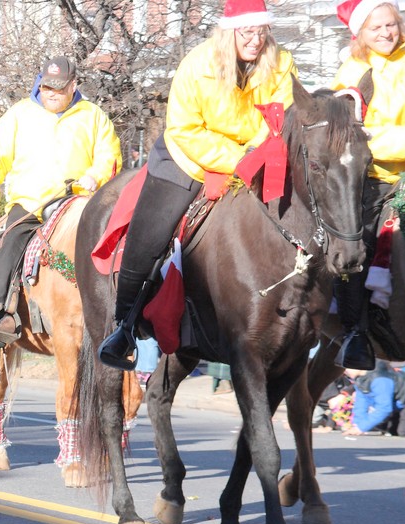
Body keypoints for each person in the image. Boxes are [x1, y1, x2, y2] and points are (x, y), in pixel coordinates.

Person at [99, 0, 297, 370]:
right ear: (229, 31)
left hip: (256, 160)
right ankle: (123, 325)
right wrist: (239, 158)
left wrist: (256, 153)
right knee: (149, 237)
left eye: (261, 31)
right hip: (190, 159)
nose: (256, 40)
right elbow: (185, 130)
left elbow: (280, 120)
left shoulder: (282, 64)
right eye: (247, 31)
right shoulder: (197, 64)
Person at [0, 55, 122, 346]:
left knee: (118, 248)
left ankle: (121, 316)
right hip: (30, 204)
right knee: (7, 249)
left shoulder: (92, 115)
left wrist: (95, 175)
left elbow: (110, 154)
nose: (52, 94)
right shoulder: (19, 114)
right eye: (47, 88)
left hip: (78, 204)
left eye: (59, 88)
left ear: (73, 85)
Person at [329, 0, 405, 370]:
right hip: (370, 179)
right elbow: (351, 137)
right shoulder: (352, 72)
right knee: (354, 244)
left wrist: (383, 135)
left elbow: (371, 132)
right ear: (360, 34)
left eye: (390, 24)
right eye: (376, 28)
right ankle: (355, 333)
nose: (386, 33)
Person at [342, 360, 405, 435]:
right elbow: (361, 404)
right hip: (399, 403)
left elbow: (384, 408)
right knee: (391, 430)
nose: (344, 371)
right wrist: (357, 424)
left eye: (346, 368)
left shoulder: (380, 379)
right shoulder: (360, 380)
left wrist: (361, 427)